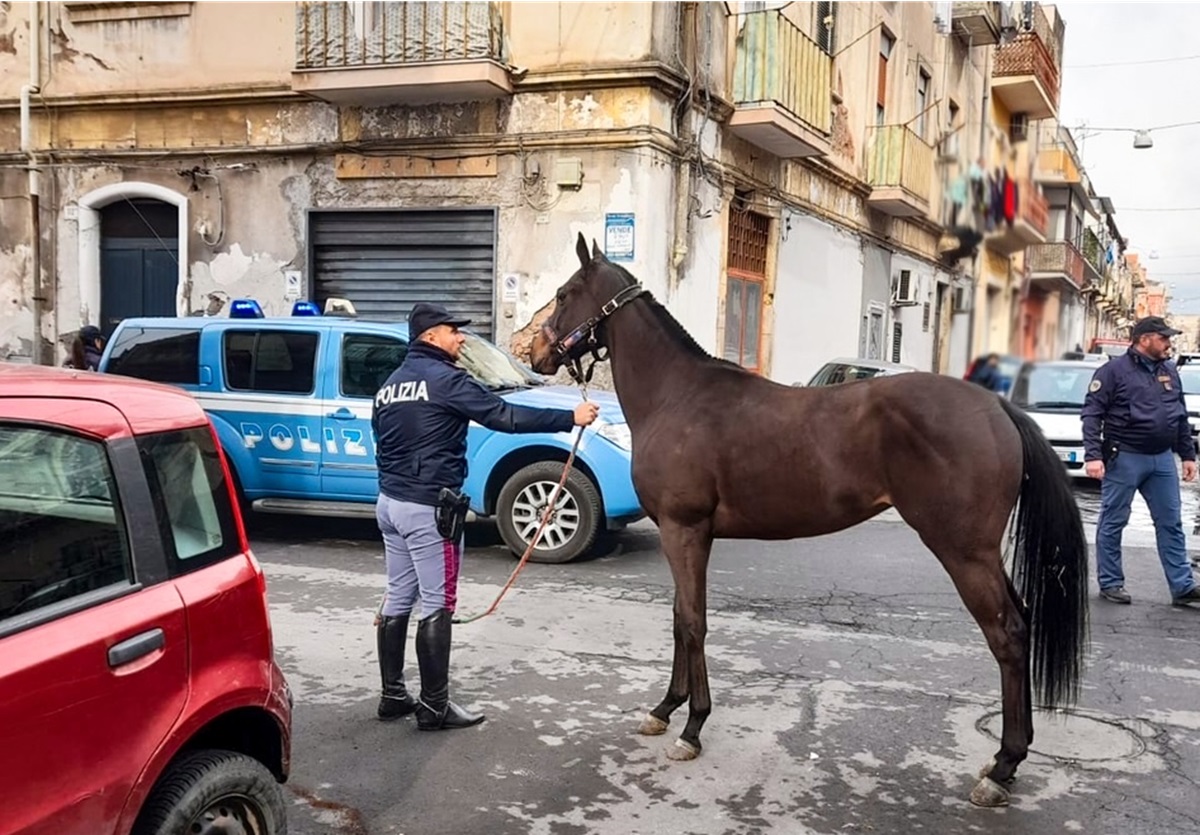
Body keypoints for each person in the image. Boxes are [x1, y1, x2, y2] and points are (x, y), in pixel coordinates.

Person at [371, 302, 600, 730]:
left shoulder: (389, 385)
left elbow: (381, 443)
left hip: (390, 504)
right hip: (428, 509)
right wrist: (570, 417)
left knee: (399, 596)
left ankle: (392, 695)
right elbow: (504, 415)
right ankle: (435, 706)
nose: (460, 337)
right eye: (452, 330)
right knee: (437, 604)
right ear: (430, 336)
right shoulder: (446, 380)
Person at [1081, 315, 1200, 607]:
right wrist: (1093, 455)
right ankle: (1111, 583)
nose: (1169, 344)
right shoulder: (1112, 371)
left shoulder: (1169, 371)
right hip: (1125, 457)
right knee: (1114, 520)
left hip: (1161, 460)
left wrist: (1187, 455)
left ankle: (1183, 586)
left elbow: (1179, 415)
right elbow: (1092, 414)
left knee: (1171, 523)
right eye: (1164, 338)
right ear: (1145, 339)